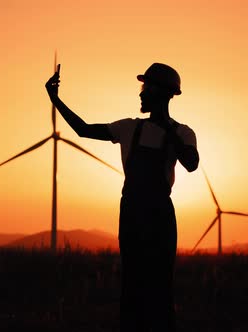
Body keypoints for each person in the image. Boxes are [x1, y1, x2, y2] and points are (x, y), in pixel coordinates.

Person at [46, 62, 199, 332]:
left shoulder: (184, 133)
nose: (141, 93)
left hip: (160, 217)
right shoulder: (128, 128)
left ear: (164, 93)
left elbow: (191, 163)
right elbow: (83, 129)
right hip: (131, 214)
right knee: (132, 287)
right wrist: (55, 99)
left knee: (162, 288)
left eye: (146, 87)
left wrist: (168, 129)